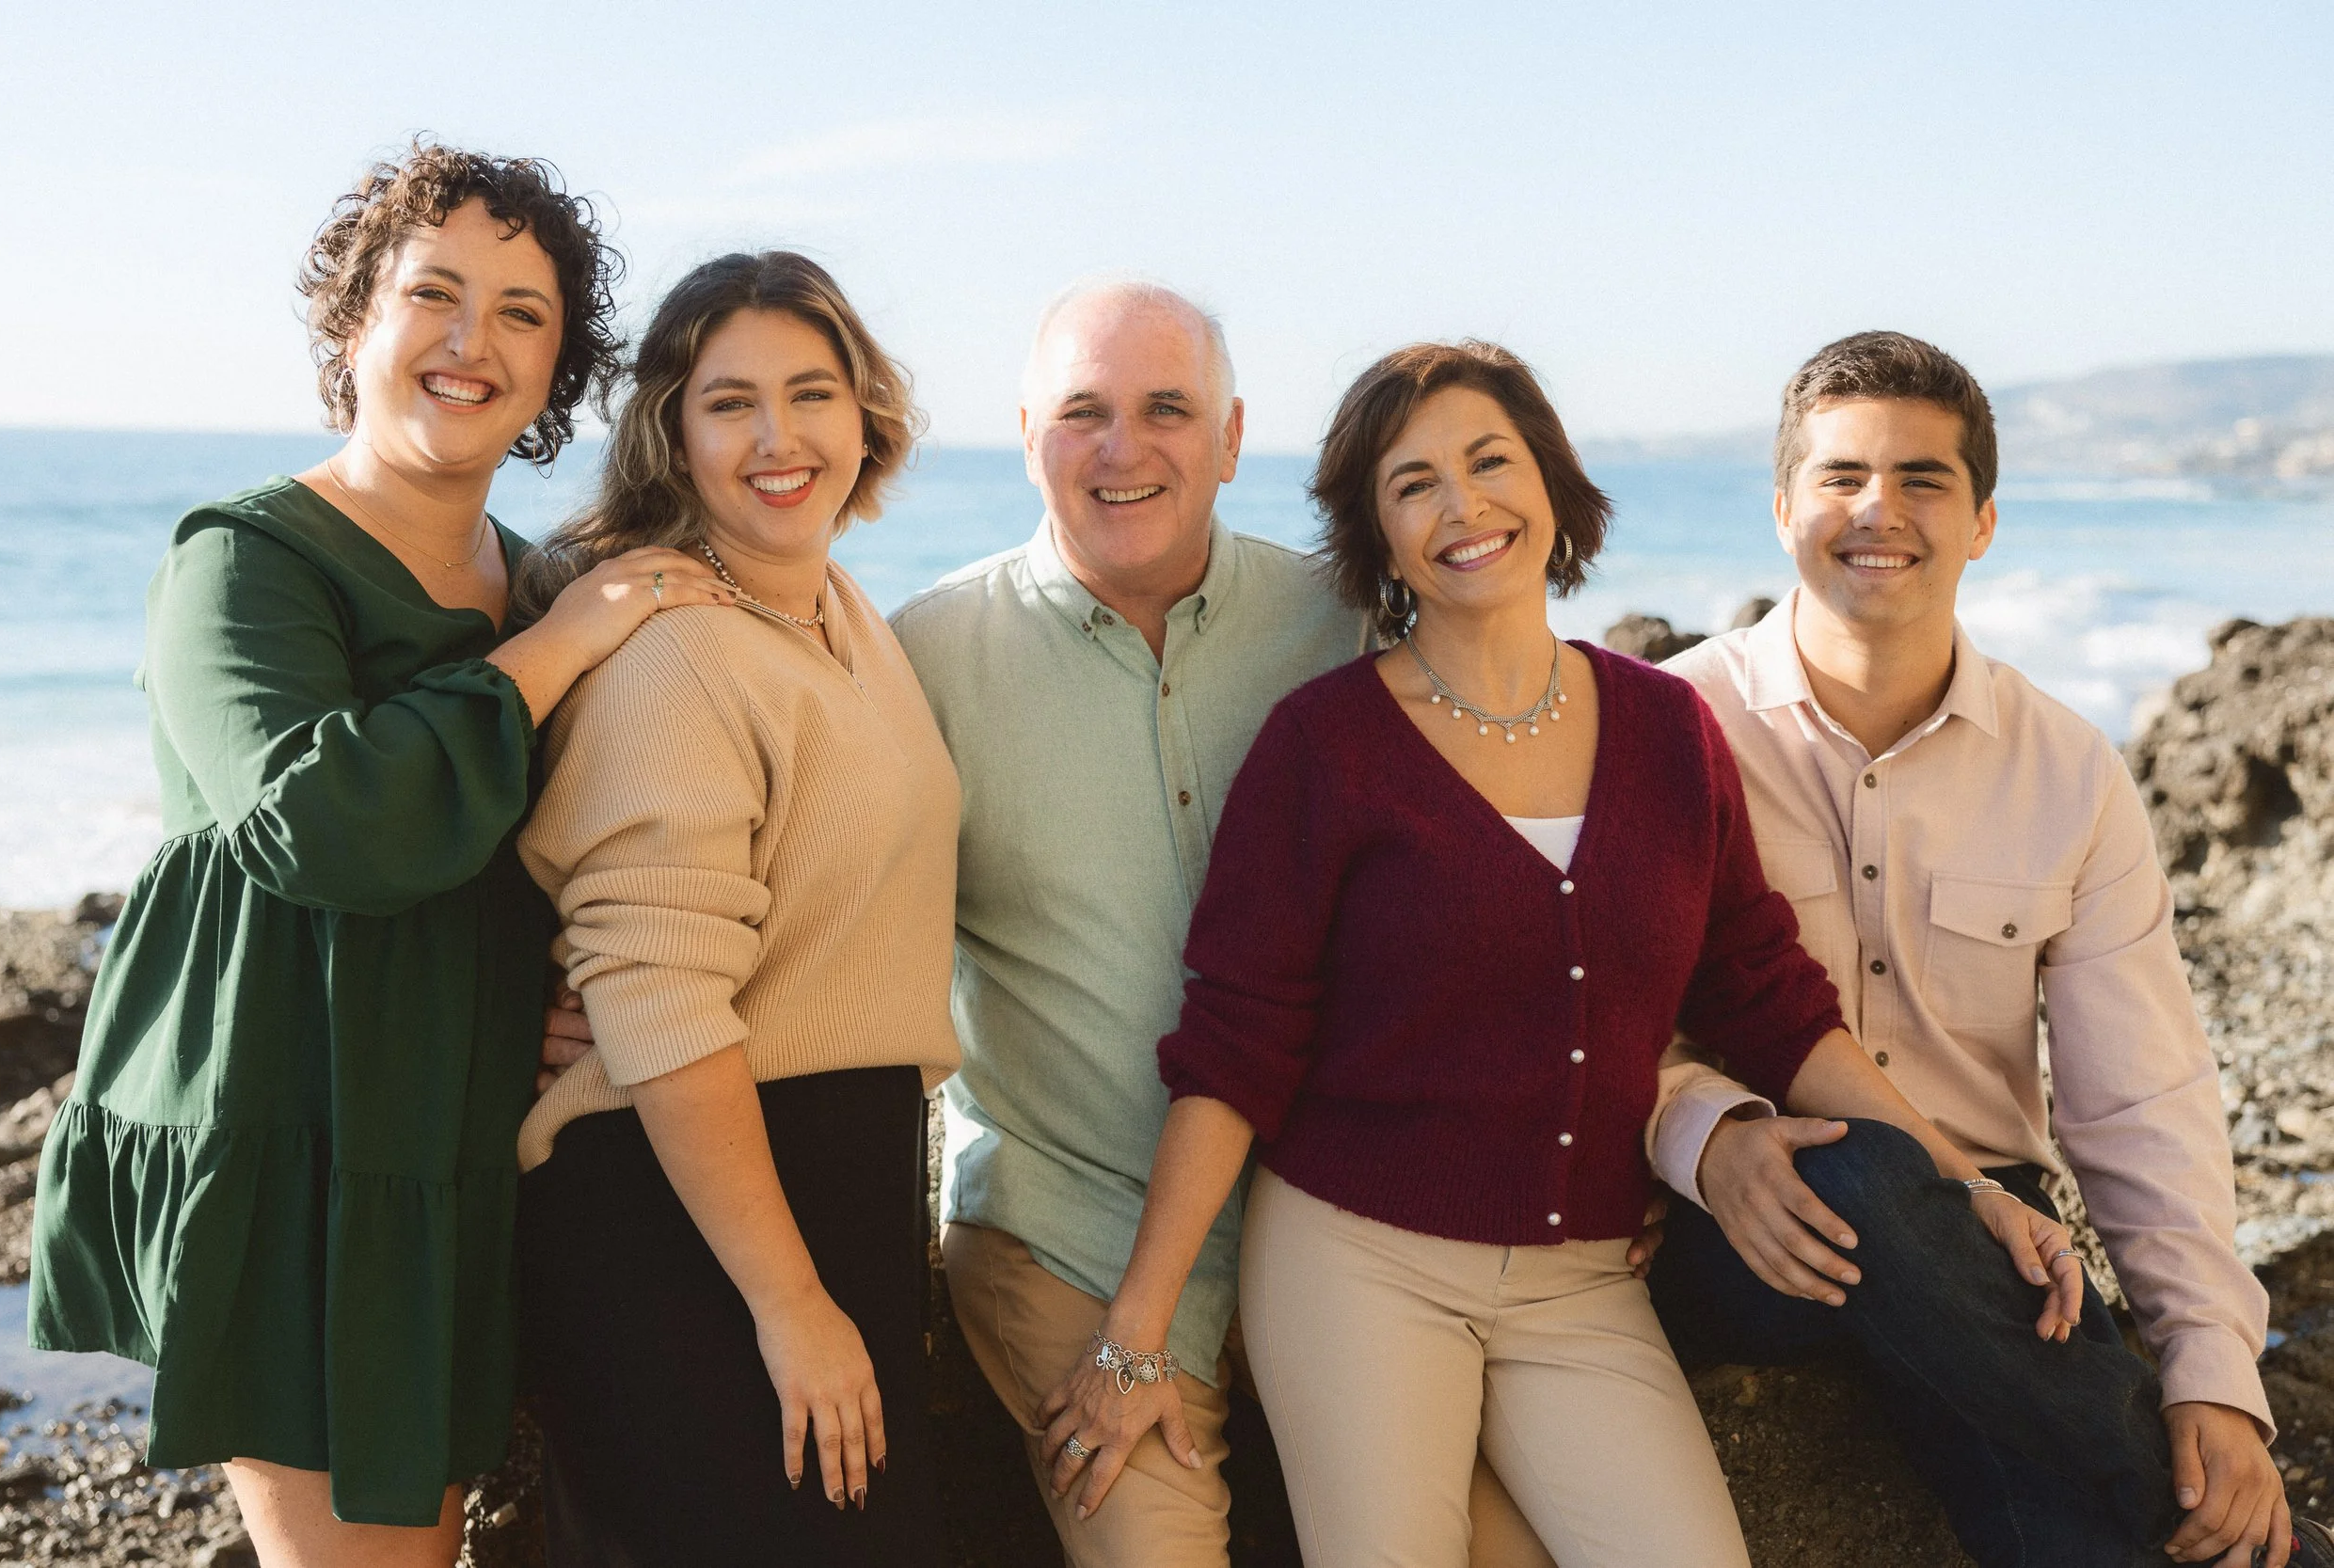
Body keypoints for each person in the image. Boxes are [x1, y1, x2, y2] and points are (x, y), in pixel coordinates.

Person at [1036, 340, 2093, 1568]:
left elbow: (1767, 997)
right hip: (1357, 1260)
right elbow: (1234, 1050)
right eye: (1413, 484)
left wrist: (1962, 1178)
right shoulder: (1322, 747)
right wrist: (1137, 1336)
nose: (1463, 503)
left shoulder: (1668, 729)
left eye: (1492, 460)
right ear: (1379, 539)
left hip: (1580, 1277)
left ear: (1552, 482)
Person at [24, 144, 733, 1567]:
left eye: (524, 314)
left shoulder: (539, 580)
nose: (475, 343)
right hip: (296, 1136)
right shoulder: (244, 562)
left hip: (465, 1142)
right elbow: (326, 821)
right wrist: (555, 648)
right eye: (435, 294)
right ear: (354, 325)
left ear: (555, 375)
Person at [878, 281, 1581, 1567]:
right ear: (1026, 426)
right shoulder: (922, 657)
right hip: (1069, 1223)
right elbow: (819, 897)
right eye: (1083, 412)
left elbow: (1539, 859)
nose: (1123, 449)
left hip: (1346, 1226)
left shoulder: (1351, 623)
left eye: (1166, 410)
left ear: (1234, 435)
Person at [1645, 330, 2334, 1568]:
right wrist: (1709, 1138)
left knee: (1987, 1346)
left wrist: (2214, 1371)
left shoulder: (2068, 768)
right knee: (1854, 1168)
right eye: (1844, 474)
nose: (1879, 509)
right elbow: (1585, 1017)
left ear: (1983, 521)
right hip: (1732, 1221)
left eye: (1923, 479)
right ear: (1782, 506)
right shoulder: (1667, 731)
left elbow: (2143, 1100)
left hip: (1986, 1230)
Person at [513, 250, 957, 1566]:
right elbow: (656, 994)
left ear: (866, 413)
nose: (780, 438)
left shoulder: (837, 608)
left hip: (832, 1175)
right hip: (687, 1212)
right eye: (732, 402)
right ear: (672, 431)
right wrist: (789, 1298)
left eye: (813, 392)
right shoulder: (675, 646)